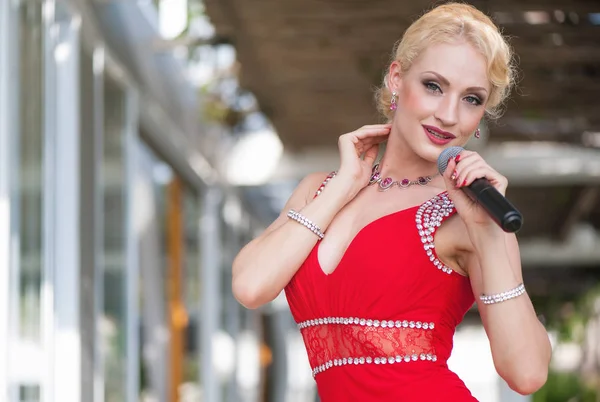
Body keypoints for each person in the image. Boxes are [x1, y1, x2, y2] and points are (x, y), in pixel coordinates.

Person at [232, 3, 551, 401]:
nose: (449, 114)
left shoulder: (471, 215)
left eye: (471, 98)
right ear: (397, 78)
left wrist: (487, 235)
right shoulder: (321, 188)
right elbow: (250, 286)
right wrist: (345, 183)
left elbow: (528, 374)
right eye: (434, 86)